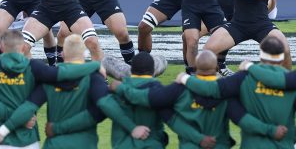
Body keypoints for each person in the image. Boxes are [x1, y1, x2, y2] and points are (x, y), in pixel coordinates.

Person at [0, 34, 151, 149]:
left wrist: (3, 131)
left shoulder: (50, 80)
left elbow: (28, 107)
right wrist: (132, 128)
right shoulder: (93, 77)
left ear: (63, 54)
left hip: (54, 145)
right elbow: (106, 105)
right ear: (85, 54)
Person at [111, 50, 287, 148]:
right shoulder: (227, 92)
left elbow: (152, 101)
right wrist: (271, 130)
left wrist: (122, 88)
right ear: (216, 67)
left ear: (195, 68)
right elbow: (244, 120)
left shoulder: (177, 89)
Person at [177, 36, 294, 148]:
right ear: (283, 56)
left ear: (261, 55)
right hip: (283, 144)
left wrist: (185, 78)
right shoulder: (290, 80)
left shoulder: (243, 78)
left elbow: (211, 89)